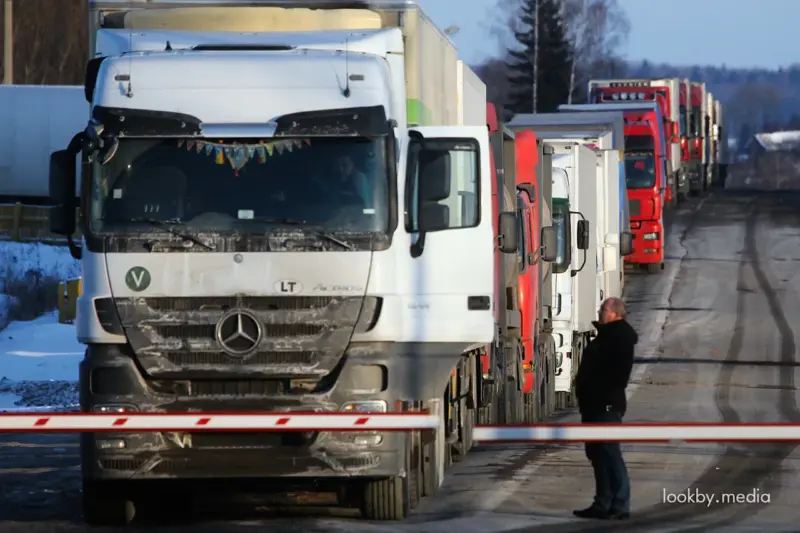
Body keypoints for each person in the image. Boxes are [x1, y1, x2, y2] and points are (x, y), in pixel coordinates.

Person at [573, 297, 638, 520]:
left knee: (609, 453)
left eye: (603, 309)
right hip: (594, 403)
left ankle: (620, 503)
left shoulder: (618, 338)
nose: (600, 311)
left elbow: (615, 374)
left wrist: (596, 390)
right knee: (598, 454)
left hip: (605, 403)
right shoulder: (607, 335)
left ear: (615, 314)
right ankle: (603, 503)